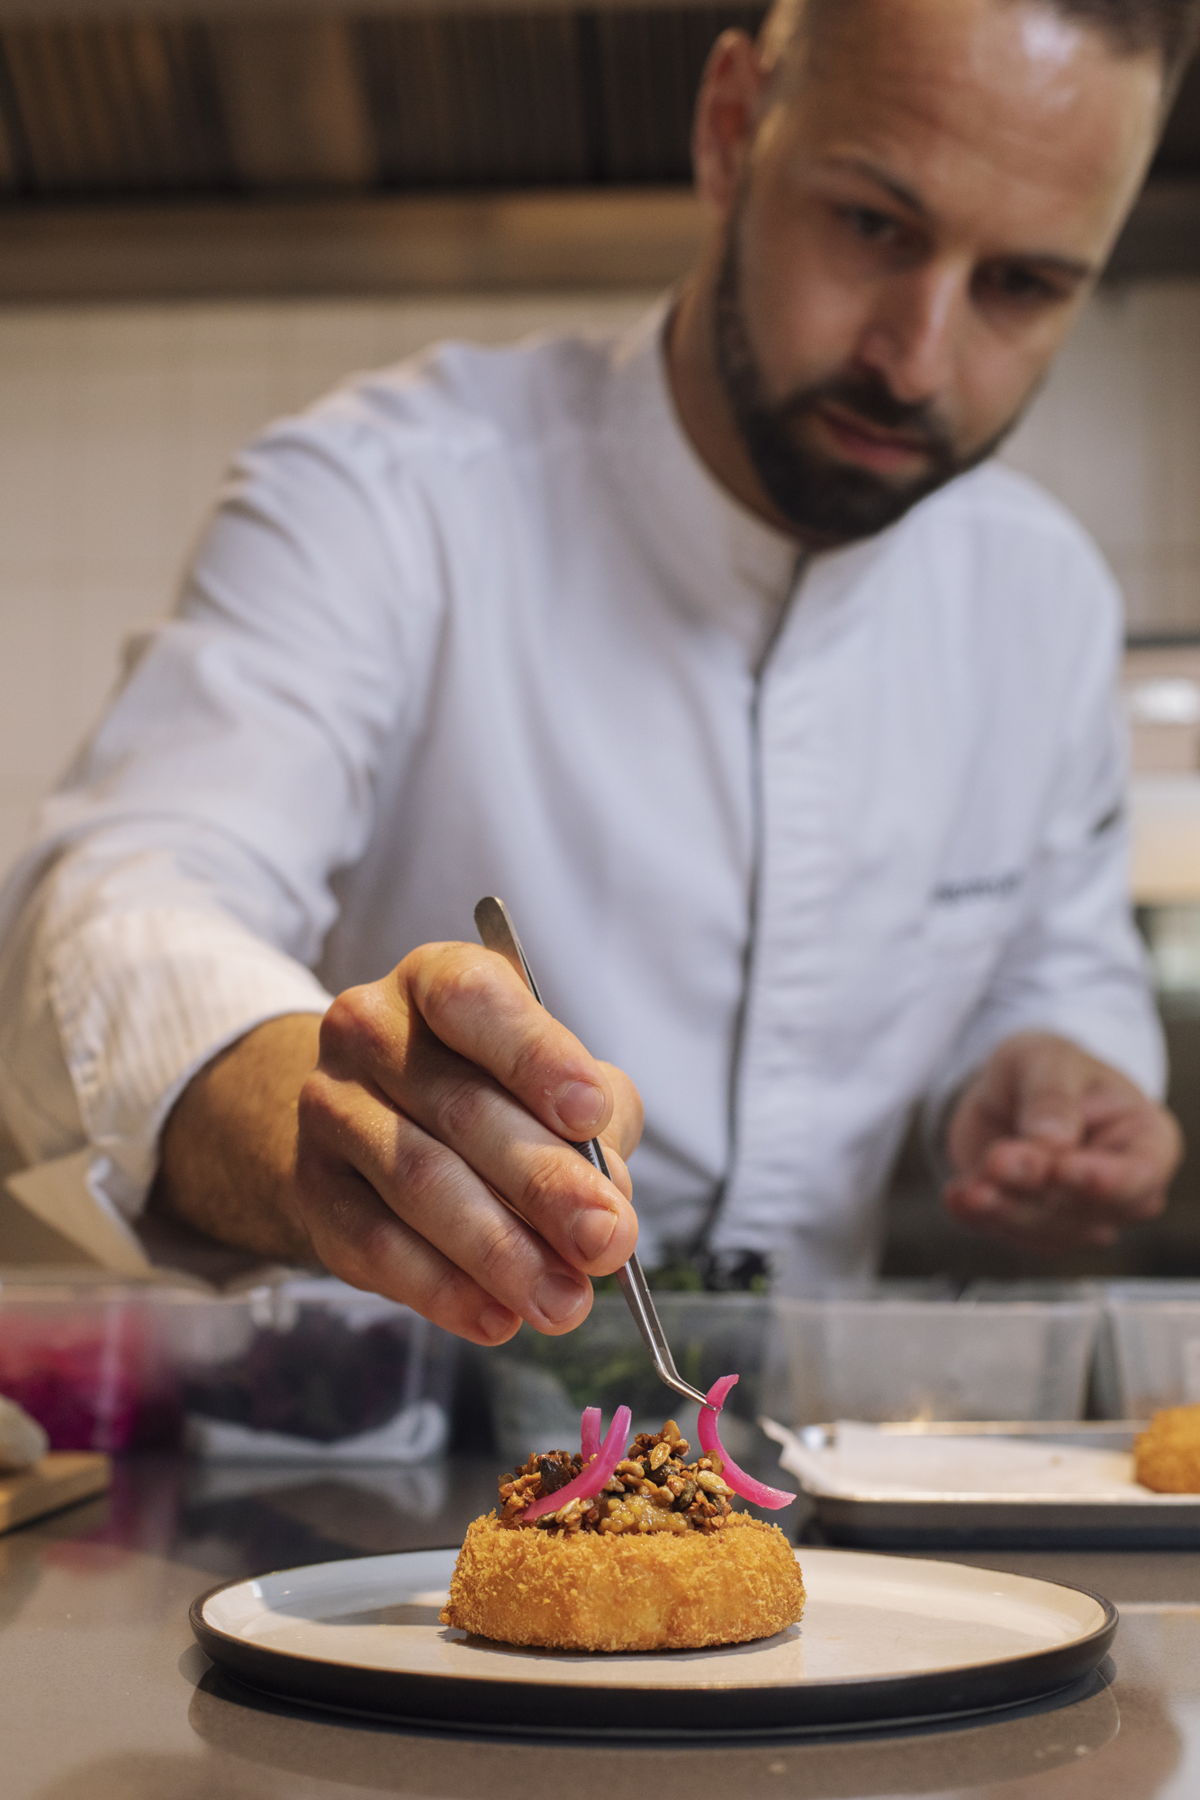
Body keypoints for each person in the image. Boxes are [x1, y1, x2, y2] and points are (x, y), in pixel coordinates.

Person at [0, 0, 1192, 1342]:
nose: (916, 355)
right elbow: (113, 911)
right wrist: (329, 1128)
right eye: (872, 226)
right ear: (733, 128)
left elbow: (1059, 965)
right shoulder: (384, 500)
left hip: (810, 1472)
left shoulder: (1043, 602)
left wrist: (1047, 1073)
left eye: (1022, 286)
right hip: (379, 1444)